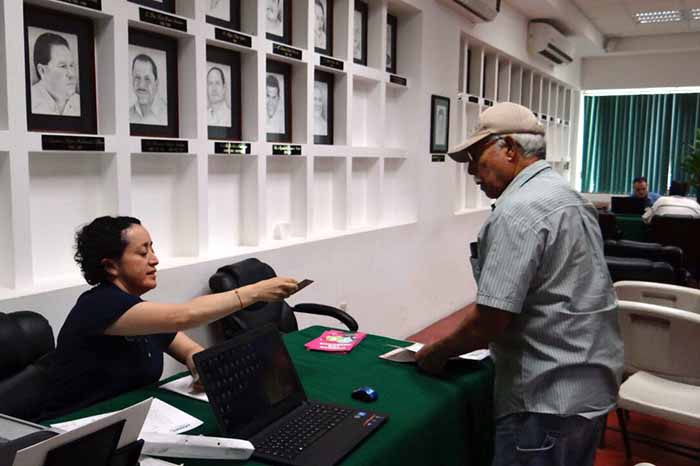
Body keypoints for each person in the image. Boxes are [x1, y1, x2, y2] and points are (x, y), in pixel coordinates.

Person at [415, 102, 623, 466]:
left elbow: (489, 321)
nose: (471, 171)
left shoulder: (517, 211)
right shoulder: (569, 196)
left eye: (476, 158)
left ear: (509, 148)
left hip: (545, 399)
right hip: (588, 387)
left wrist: (435, 353)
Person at [39, 216, 298, 419]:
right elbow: (183, 316)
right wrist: (255, 292)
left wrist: (199, 367)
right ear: (111, 266)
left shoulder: (137, 310)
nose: (155, 260)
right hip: (76, 428)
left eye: (152, 249)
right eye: (143, 253)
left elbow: (190, 350)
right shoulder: (98, 305)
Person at [31, 32, 81, 116]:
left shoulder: (79, 103)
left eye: (71, 65)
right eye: (63, 66)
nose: (72, 74)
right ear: (42, 70)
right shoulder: (29, 103)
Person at [130, 54, 167, 125]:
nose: (141, 85)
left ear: (156, 84)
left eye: (147, 79)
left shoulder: (166, 113)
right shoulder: (128, 115)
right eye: (137, 77)